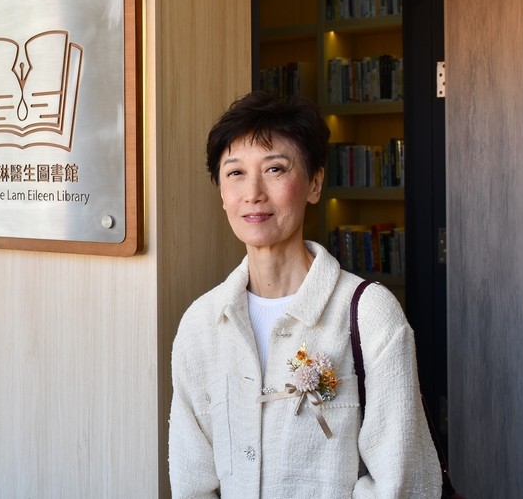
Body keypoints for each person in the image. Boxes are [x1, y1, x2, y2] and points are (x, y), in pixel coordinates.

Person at [168, 90, 441, 498]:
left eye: (275, 169)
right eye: (235, 173)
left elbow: (403, 482)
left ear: (314, 183)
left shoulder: (369, 313)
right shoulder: (201, 324)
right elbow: (193, 481)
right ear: (221, 192)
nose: (253, 192)